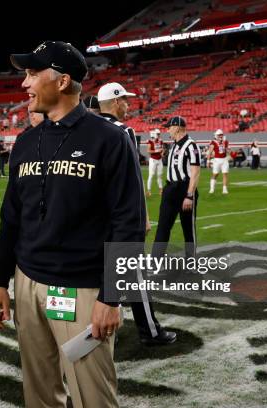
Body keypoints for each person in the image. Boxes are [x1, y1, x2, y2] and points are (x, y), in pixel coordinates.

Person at [0, 40, 145, 408]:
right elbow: (12, 216)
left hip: (83, 289)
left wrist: (112, 295)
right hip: (27, 284)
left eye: (31, 74)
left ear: (61, 82)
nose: (24, 84)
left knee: (94, 396)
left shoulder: (109, 138)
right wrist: (0, 280)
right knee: (39, 393)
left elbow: (130, 223)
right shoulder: (26, 142)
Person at [97, 82, 175, 346]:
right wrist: (141, 218)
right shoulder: (122, 131)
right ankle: (150, 331)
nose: (128, 106)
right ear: (116, 102)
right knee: (135, 274)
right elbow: (130, 181)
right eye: (126, 101)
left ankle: (94, 330)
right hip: (119, 219)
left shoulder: (86, 130)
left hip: (91, 220)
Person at [152, 116, 201, 264]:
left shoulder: (191, 145)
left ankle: (191, 262)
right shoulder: (174, 145)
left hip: (184, 189)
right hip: (171, 189)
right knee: (163, 226)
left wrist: (189, 195)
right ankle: (156, 261)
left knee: (188, 228)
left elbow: (195, 172)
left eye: (169, 127)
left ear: (178, 127)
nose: (167, 130)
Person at [208, 129, 230, 194]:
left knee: (225, 174)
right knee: (215, 174)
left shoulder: (225, 142)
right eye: (219, 135)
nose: (220, 136)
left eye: (221, 135)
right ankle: (212, 188)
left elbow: (227, 150)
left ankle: (224, 189)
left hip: (224, 159)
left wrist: (230, 152)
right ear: (216, 135)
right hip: (217, 160)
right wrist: (208, 161)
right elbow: (210, 152)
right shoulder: (213, 142)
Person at [147, 129, 164, 197]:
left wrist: (162, 152)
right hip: (153, 160)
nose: (159, 135)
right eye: (158, 134)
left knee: (159, 175)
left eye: (159, 134)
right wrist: (157, 151)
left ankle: (161, 190)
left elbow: (162, 149)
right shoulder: (150, 141)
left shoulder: (160, 141)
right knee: (151, 175)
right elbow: (148, 151)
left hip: (159, 160)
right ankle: (148, 190)